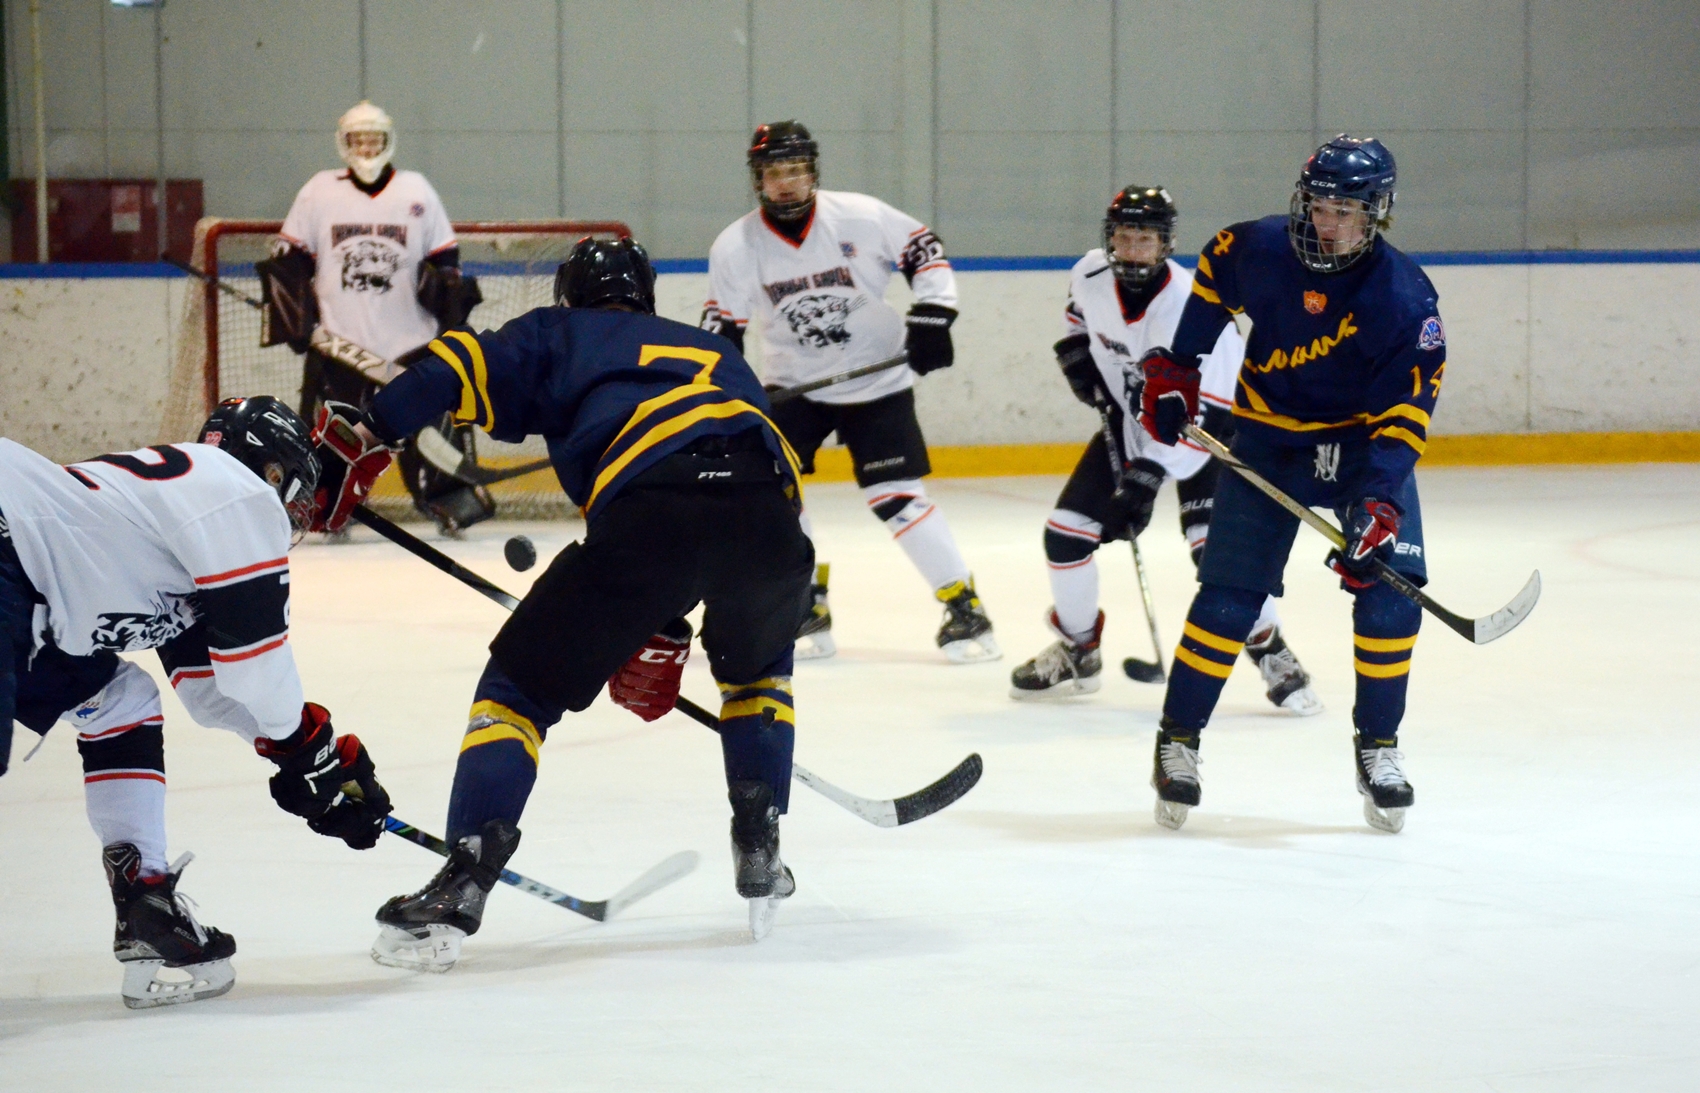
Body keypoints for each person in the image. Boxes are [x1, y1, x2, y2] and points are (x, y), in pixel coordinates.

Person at [359, 236, 815, 969]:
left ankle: (464, 878)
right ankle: (760, 842)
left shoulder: (556, 332)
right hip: (771, 518)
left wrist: (365, 433)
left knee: (517, 691)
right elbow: (729, 498)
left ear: (569, 295)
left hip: (651, 510)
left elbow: (449, 366)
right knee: (758, 672)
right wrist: (665, 616)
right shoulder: (711, 349)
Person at [0, 396, 396, 1008]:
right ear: (273, 472)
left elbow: (213, 690)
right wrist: (309, 754)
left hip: (28, 594)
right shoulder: (239, 496)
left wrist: (311, 757)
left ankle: (146, 900)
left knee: (121, 703)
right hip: (10, 558)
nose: (293, 513)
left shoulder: (177, 521)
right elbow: (258, 671)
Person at [1137, 135, 1445, 833]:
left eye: (1344, 212)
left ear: (1376, 215)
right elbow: (1214, 276)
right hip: (1269, 442)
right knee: (1228, 600)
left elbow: (1406, 414)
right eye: (1317, 206)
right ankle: (1178, 741)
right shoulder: (1255, 248)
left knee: (1392, 601)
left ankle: (1379, 748)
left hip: (1362, 452)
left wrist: (1380, 501)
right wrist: (1180, 364)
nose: (1325, 223)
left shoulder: (1405, 297)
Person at [1009, 186, 1320, 715]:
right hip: (1135, 422)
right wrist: (1076, 354)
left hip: (1213, 431)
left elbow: (1210, 411)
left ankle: (1270, 649)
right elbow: (1078, 315)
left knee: (1217, 554)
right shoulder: (1089, 273)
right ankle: (1079, 649)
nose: (1132, 250)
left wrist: (1147, 476)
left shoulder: (1189, 305)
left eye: (1145, 239)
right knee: (1065, 535)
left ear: (1165, 244)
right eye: (1123, 237)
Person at [701, 120, 998, 664]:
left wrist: (934, 314)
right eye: (774, 173)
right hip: (794, 386)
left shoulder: (860, 216)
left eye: (795, 170)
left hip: (877, 383)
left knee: (897, 497)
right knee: (772, 494)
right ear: (758, 180)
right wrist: (720, 380)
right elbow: (724, 327)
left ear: (812, 172)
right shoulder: (736, 245)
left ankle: (965, 606)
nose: (786, 183)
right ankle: (805, 605)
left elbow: (925, 250)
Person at [260, 100, 490, 535]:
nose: (367, 148)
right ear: (344, 143)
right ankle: (326, 508)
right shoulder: (318, 191)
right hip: (340, 342)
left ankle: (450, 501)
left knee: (433, 428)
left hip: (412, 341)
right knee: (334, 435)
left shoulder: (417, 190)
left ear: (388, 141)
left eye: (374, 140)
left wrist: (450, 302)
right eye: (358, 140)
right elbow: (290, 260)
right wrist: (295, 316)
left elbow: (446, 260)